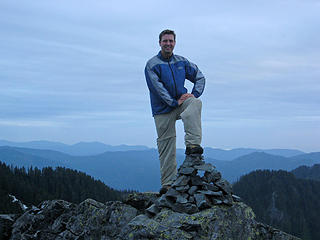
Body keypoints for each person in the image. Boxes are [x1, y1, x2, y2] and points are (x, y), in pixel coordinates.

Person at [145, 29, 205, 194]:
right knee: (166, 144)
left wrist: (194, 93)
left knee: (194, 103)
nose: (168, 44)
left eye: (171, 41)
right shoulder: (152, 64)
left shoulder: (182, 61)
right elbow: (157, 88)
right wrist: (173, 101)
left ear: (175, 43)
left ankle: (193, 146)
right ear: (159, 43)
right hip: (162, 109)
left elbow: (199, 76)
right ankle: (168, 184)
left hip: (180, 103)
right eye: (165, 41)